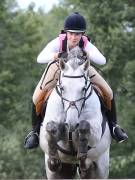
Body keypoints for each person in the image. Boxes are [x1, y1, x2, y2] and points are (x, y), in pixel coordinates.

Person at [24, 12, 128, 149]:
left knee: (108, 92)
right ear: (66, 33)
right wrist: (57, 54)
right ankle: (35, 132)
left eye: (78, 34)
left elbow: (102, 61)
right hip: (58, 67)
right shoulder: (58, 42)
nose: (74, 37)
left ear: (82, 34)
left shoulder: (85, 43)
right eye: (71, 33)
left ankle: (114, 127)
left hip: (81, 69)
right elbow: (40, 58)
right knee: (37, 95)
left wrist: (87, 54)